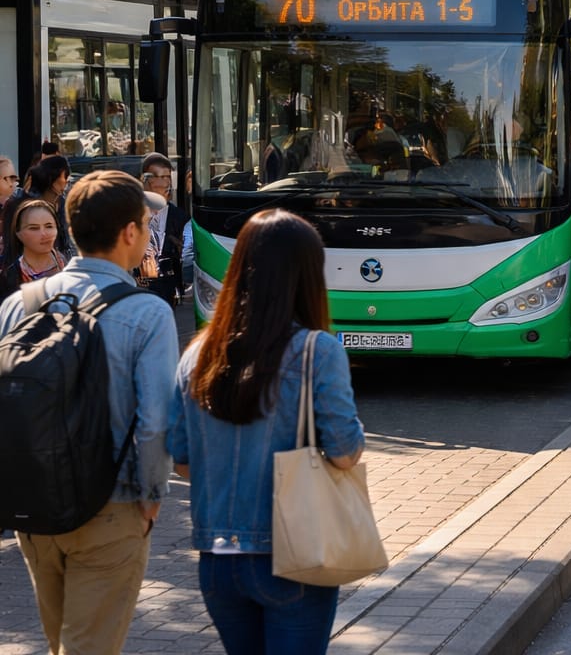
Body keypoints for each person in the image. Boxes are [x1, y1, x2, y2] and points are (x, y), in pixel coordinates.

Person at [167, 209, 365, 654]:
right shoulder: (318, 351)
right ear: (307, 275)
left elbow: (180, 461)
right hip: (295, 552)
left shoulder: (198, 355)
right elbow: (344, 452)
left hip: (217, 558)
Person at [0, 170, 178, 654]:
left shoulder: (19, 305)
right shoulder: (147, 313)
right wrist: (151, 496)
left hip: (33, 505)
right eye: (144, 223)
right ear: (129, 234)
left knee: (63, 643)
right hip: (112, 505)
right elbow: (155, 420)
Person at [137, 152, 190, 306]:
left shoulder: (180, 218)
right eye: (157, 177)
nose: (164, 183)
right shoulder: (130, 213)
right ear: (145, 180)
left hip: (167, 290)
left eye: (167, 177)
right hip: (137, 286)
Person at [1, 154, 72, 264]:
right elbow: (11, 247)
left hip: (55, 269)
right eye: (65, 176)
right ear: (53, 178)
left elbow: (66, 244)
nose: (67, 181)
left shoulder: (61, 202)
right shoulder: (19, 204)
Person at [1, 198, 69, 300]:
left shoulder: (66, 265)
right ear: (18, 233)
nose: (44, 234)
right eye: (34, 228)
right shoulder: (10, 278)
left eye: (49, 226)